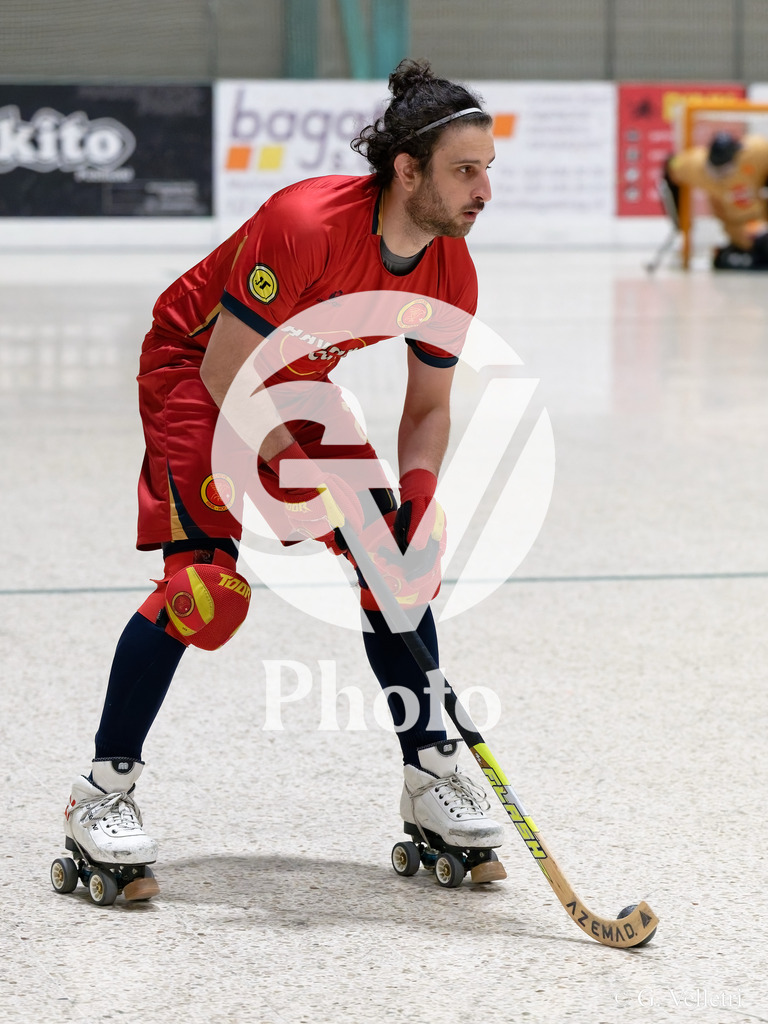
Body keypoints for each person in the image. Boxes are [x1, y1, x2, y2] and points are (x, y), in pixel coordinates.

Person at [59, 58, 507, 898]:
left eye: (488, 169)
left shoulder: (451, 268)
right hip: (196, 369)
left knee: (398, 566)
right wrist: (294, 468)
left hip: (293, 378)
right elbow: (226, 372)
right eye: (465, 171)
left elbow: (428, 408)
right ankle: (101, 794)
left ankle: (431, 775)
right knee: (204, 591)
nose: (485, 190)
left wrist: (415, 499)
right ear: (407, 171)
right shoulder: (305, 223)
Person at [664, 130, 768, 269]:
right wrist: (680, 220)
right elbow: (671, 165)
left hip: (760, 217)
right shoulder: (695, 164)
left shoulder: (755, 152)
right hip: (737, 225)